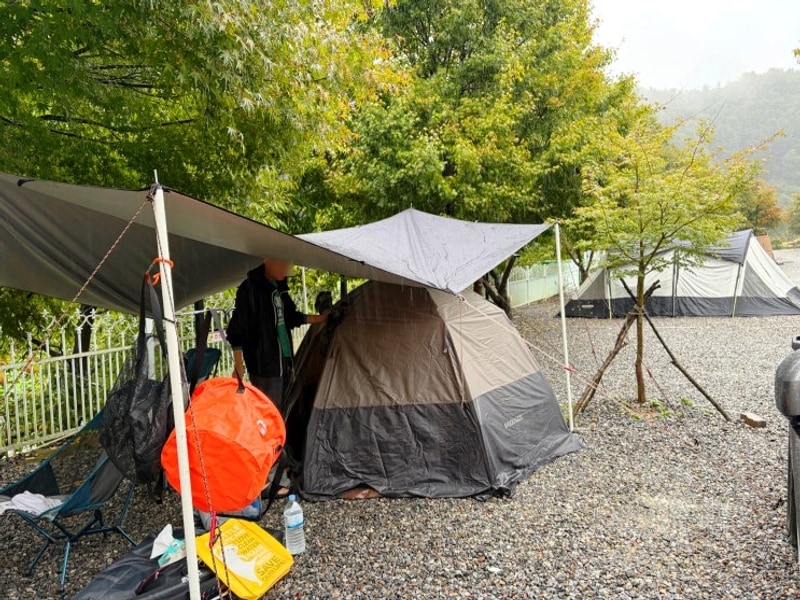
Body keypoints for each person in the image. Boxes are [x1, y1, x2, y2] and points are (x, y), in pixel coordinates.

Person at [227, 258, 326, 413]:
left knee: (286, 409)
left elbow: (291, 317)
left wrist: (319, 319)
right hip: (265, 367)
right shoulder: (250, 289)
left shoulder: (279, 288)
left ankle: (285, 436)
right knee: (270, 412)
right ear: (267, 261)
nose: (286, 268)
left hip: (286, 363)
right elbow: (236, 329)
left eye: (288, 265)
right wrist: (239, 365)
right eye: (282, 264)